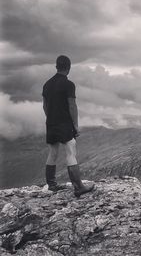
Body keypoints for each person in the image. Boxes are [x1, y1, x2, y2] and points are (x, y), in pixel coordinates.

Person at [42, 55, 94, 197]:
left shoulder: (47, 84)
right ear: (69, 68)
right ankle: (78, 187)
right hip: (64, 123)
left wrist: (50, 118)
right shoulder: (69, 84)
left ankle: (51, 185)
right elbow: (72, 105)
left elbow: (45, 105)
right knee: (71, 151)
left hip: (51, 122)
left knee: (52, 152)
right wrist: (75, 125)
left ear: (56, 66)